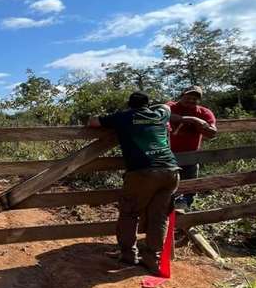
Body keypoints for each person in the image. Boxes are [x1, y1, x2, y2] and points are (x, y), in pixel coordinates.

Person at [88, 92, 201, 274]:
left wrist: (119, 117)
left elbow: (93, 122)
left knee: (129, 213)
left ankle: (128, 255)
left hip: (143, 172)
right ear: (148, 104)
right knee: (160, 216)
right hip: (171, 172)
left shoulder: (124, 117)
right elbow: (166, 107)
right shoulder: (160, 113)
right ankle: (152, 259)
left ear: (129, 104)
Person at [167, 86, 217, 210]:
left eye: (194, 98)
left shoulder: (204, 112)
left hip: (191, 156)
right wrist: (193, 120)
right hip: (168, 156)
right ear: (182, 96)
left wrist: (203, 127)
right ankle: (167, 213)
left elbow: (212, 133)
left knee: (189, 188)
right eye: (188, 97)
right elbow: (164, 115)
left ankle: (183, 215)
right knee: (167, 188)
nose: (191, 100)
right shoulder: (171, 106)